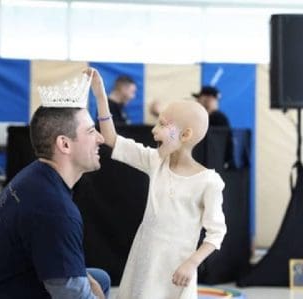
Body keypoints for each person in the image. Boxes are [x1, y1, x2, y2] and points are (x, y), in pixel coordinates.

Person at [87, 68, 226, 299]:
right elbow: (111, 139)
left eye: (162, 124)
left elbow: (216, 233)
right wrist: (101, 96)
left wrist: (192, 263)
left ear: (185, 134)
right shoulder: (155, 162)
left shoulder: (209, 182)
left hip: (175, 272)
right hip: (143, 264)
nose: (154, 129)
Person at [0, 103, 110, 297]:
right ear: (64, 144)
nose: (101, 138)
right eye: (90, 131)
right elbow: (71, 294)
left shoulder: (35, 176)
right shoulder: (54, 208)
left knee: (99, 279)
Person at [192, 86, 234, 168]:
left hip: (212, 164)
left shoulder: (217, 118)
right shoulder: (214, 117)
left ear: (208, 99)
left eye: (199, 98)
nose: (197, 101)